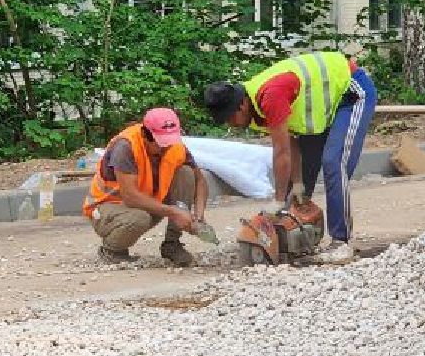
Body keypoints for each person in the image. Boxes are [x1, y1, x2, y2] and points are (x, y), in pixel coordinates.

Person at [201, 51, 377, 263]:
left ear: (241, 105)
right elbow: (292, 141)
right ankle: (293, 237)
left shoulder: (270, 96)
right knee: (300, 183)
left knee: (334, 162)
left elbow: (281, 153)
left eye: (230, 118)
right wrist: (298, 184)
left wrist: (277, 201)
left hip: (351, 91)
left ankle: (341, 242)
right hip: (324, 107)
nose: (231, 124)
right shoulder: (253, 108)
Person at [83, 107, 208, 267]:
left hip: (147, 203)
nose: (165, 148)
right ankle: (112, 250)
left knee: (186, 173)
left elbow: (200, 181)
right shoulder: (126, 146)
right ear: (145, 135)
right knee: (139, 219)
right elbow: (130, 197)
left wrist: (198, 215)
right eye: (160, 143)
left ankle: (172, 244)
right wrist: (173, 211)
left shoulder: (175, 146)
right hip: (108, 207)